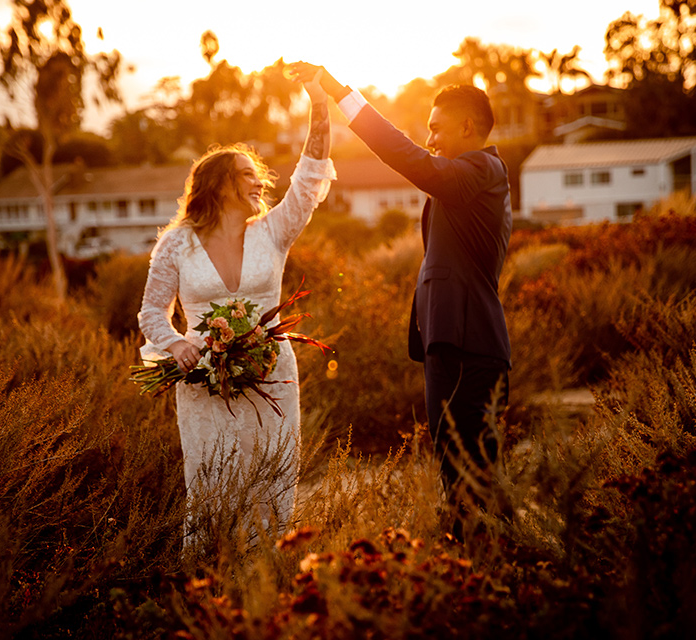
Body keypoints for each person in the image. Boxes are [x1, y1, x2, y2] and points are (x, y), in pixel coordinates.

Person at [288, 62, 512, 534]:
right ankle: (473, 567)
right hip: (451, 342)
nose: (429, 139)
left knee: (474, 478)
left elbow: (408, 157)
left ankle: (491, 570)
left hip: (470, 348)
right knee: (457, 472)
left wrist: (340, 93)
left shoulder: (482, 169)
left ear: (468, 126)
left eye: (436, 129)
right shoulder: (467, 178)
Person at [137, 71, 335, 541]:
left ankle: (267, 580)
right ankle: (213, 583)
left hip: (273, 374)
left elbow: (308, 178)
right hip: (204, 381)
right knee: (213, 484)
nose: (259, 182)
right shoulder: (177, 245)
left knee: (272, 479)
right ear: (221, 183)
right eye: (247, 173)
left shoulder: (273, 231)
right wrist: (176, 345)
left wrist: (320, 104)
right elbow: (150, 312)